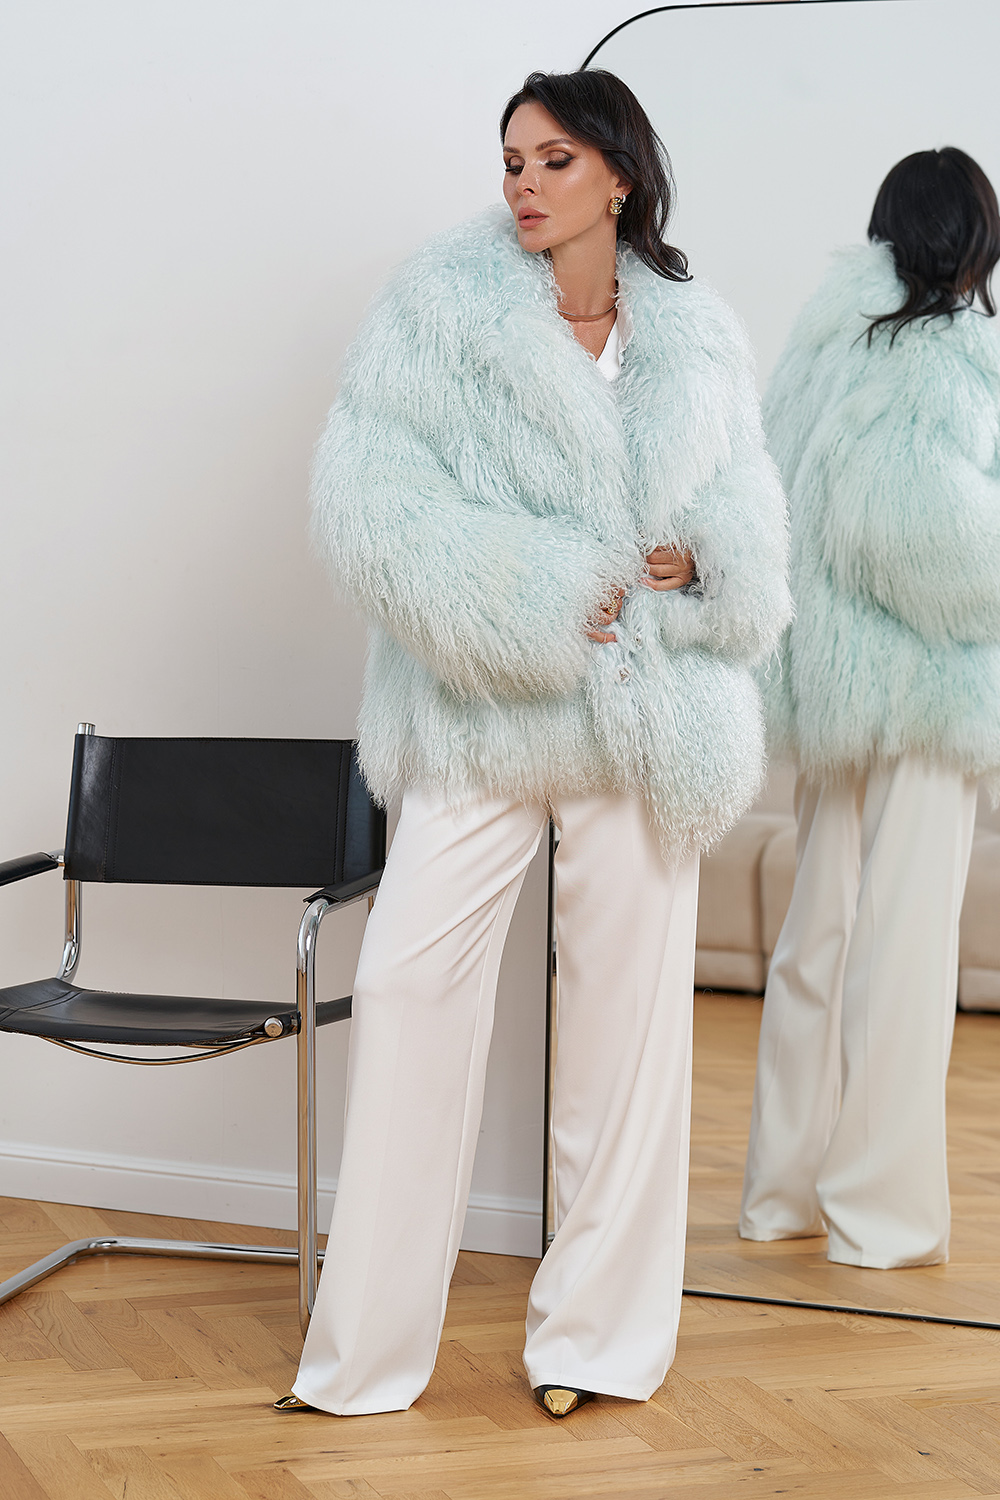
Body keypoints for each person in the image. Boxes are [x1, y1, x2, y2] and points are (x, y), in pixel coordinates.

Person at [276, 68, 789, 1420]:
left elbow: (749, 517)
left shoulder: (696, 336)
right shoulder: (438, 310)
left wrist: (703, 562)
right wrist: (549, 591)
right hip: (484, 707)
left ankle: (595, 1346)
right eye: (512, 160)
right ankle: (364, 1357)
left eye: (555, 159)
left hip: (648, 718)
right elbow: (374, 513)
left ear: (620, 175)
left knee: (628, 1036)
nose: (524, 183)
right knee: (407, 987)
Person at [740, 148, 1000, 1269]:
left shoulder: (819, 346)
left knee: (820, 934)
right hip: (923, 689)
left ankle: (783, 1192)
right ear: (975, 239)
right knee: (903, 947)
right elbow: (916, 532)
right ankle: (878, 1216)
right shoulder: (942, 353)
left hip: (831, 688)